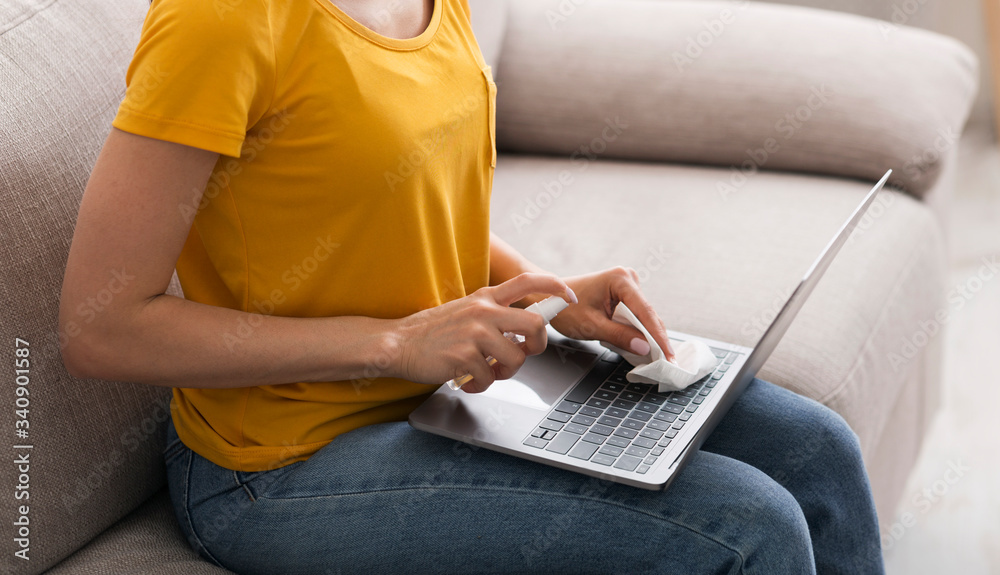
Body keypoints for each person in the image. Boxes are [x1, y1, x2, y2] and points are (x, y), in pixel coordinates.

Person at [58, 0, 885, 572]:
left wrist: (546, 293)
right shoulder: (222, 20)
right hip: (278, 466)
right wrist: (395, 342)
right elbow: (101, 325)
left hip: (457, 398)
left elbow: (393, 198)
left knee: (817, 451)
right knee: (749, 524)